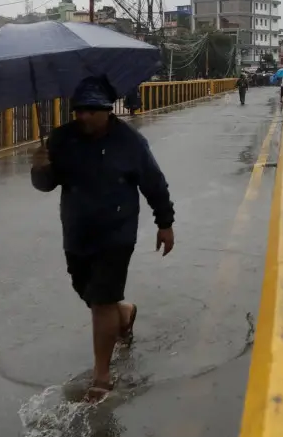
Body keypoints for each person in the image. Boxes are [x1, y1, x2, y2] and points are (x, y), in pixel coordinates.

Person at [31, 75, 175, 402]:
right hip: (77, 230)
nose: (83, 116)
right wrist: (39, 169)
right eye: (78, 110)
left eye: (91, 110)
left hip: (117, 230)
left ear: (107, 110)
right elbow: (46, 184)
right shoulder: (61, 139)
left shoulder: (131, 143)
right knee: (88, 292)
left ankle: (101, 374)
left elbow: (154, 183)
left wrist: (164, 223)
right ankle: (124, 313)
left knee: (101, 300)